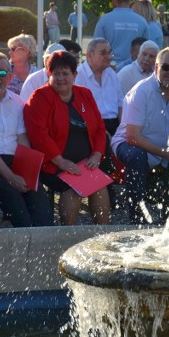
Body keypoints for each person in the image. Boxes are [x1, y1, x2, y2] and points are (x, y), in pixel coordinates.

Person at [0, 53, 53, 228]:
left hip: (16, 161)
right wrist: (12, 177)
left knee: (43, 212)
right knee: (21, 215)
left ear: (11, 77)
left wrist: (27, 175)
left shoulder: (18, 102)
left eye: (2, 73)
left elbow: (23, 142)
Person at [24, 50, 110, 225]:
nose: (61, 78)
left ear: (75, 74)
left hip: (86, 162)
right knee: (74, 187)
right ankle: (68, 233)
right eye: (56, 74)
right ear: (49, 74)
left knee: (100, 187)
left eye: (66, 73)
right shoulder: (39, 97)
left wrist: (96, 155)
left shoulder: (85, 94)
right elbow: (38, 135)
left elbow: (100, 129)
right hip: (52, 164)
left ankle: (103, 235)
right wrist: (61, 162)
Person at [111, 46, 169, 224]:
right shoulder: (142, 91)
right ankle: (137, 219)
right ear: (156, 67)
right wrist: (167, 153)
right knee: (137, 156)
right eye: (166, 67)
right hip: (130, 144)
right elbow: (132, 137)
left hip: (162, 148)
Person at [75, 38, 123, 136]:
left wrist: (122, 131)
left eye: (110, 53)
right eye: (103, 53)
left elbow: (120, 106)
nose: (108, 57)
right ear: (89, 55)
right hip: (90, 126)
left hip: (115, 125)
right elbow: (80, 111)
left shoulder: (112, 74)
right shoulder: (78, 75)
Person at [94, 0, 150, 67]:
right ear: (128, 1)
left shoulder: (104, 20)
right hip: (134, 68)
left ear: (115, 0)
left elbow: (97, 46)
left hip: (110, 67)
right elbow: (147, 47)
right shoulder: (141, 21)